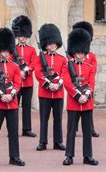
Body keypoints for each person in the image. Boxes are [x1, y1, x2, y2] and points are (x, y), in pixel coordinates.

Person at [0, 28, 25, 167]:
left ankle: (14, 156)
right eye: (3, 51)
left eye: (7, 51)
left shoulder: (14, 67)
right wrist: (1, 95)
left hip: (12, 104)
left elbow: (17, 83)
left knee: (13, 131)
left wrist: (11, 95)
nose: (5, 54)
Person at [62, 28, 99, 166]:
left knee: (87, 131)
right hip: (74, 102)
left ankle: (88, 156)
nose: (80, 54)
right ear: (74, 52)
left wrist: (86, 94)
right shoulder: (67, 66)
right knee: (71, 130)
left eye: (82, 52)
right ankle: (69, 156)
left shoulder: (89, 67)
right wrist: (78, 95)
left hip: (87, 102)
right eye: (78, 52)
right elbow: (67, 82)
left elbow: (91, 82)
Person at [34, 23, 66, 151]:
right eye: (49, 43)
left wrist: (57, 84)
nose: (52, 45)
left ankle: (58, 142)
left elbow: (65, 73)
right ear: (45, 44)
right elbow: (38, 72)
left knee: (57, 118)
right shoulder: (40, 58)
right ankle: (43, 141)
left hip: (58, 93)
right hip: (44, 93)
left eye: (53, 43)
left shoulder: (62, 59)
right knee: (44, 118)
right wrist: (48, 84)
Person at [72, 21, 99, 137]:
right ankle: (74, 127)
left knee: (89, 107)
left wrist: (86, 83)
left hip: (87, 85)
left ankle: (90, 127)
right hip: (75, 84)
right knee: (75, 107)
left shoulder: (91, 56)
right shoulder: (73, 55)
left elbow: (93, 70)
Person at [11, 15, 37, 137]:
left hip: (27, 83)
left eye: (24, 35)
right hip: (16, 83)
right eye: (20, 35)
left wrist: (25, 71)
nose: (22, 37)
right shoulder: (13, 49)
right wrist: (18, 73)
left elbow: (34, 63)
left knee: (26, 107)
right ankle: (13, 129)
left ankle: (26, 129)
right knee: (14, 107)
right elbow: (10, 63)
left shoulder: (31, 50)